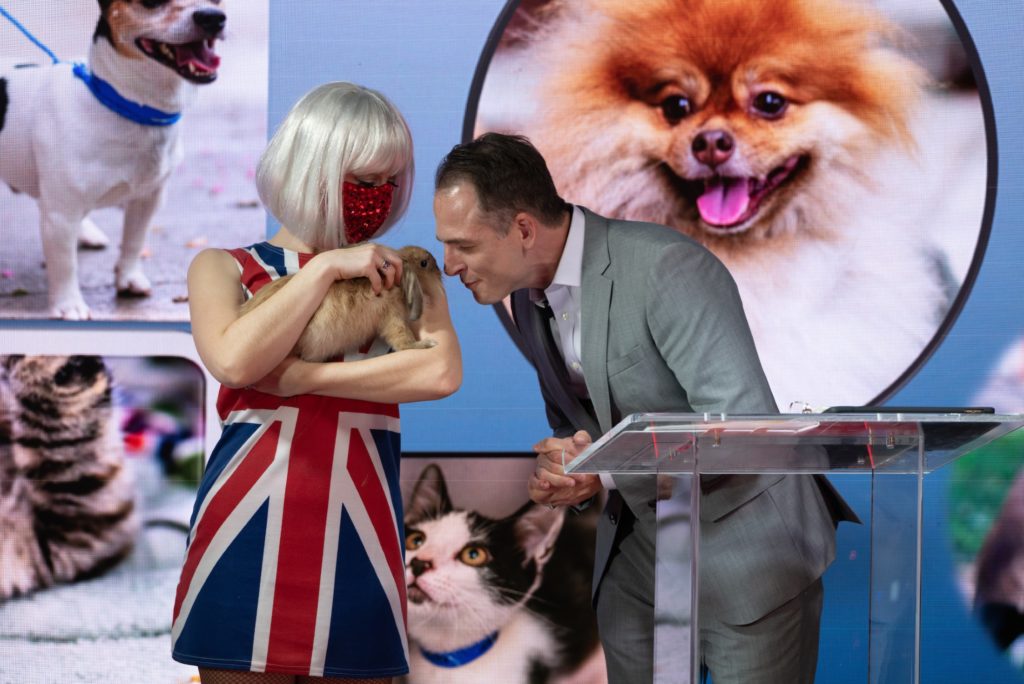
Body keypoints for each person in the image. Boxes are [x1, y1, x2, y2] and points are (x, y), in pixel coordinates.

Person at [432, 132, 856, 684]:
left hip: (749, 555)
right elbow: (580, 428)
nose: (448, 265)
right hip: (639, 560)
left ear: (523, 229)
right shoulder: (525, 297)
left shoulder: (665, 269)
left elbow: (741, 426)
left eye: (462, 244)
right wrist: (574, 469)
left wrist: (603, 468)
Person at [171, 82, 462, 684]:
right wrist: (325, 267)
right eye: (362, 178)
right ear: (313, 167)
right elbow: (234, 362)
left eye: (390, 181)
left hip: (360, 532)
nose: (376, 198)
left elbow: (438, 370)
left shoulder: (404, 268)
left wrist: (304, 376)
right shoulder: (223, 267)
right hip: (244, 526)